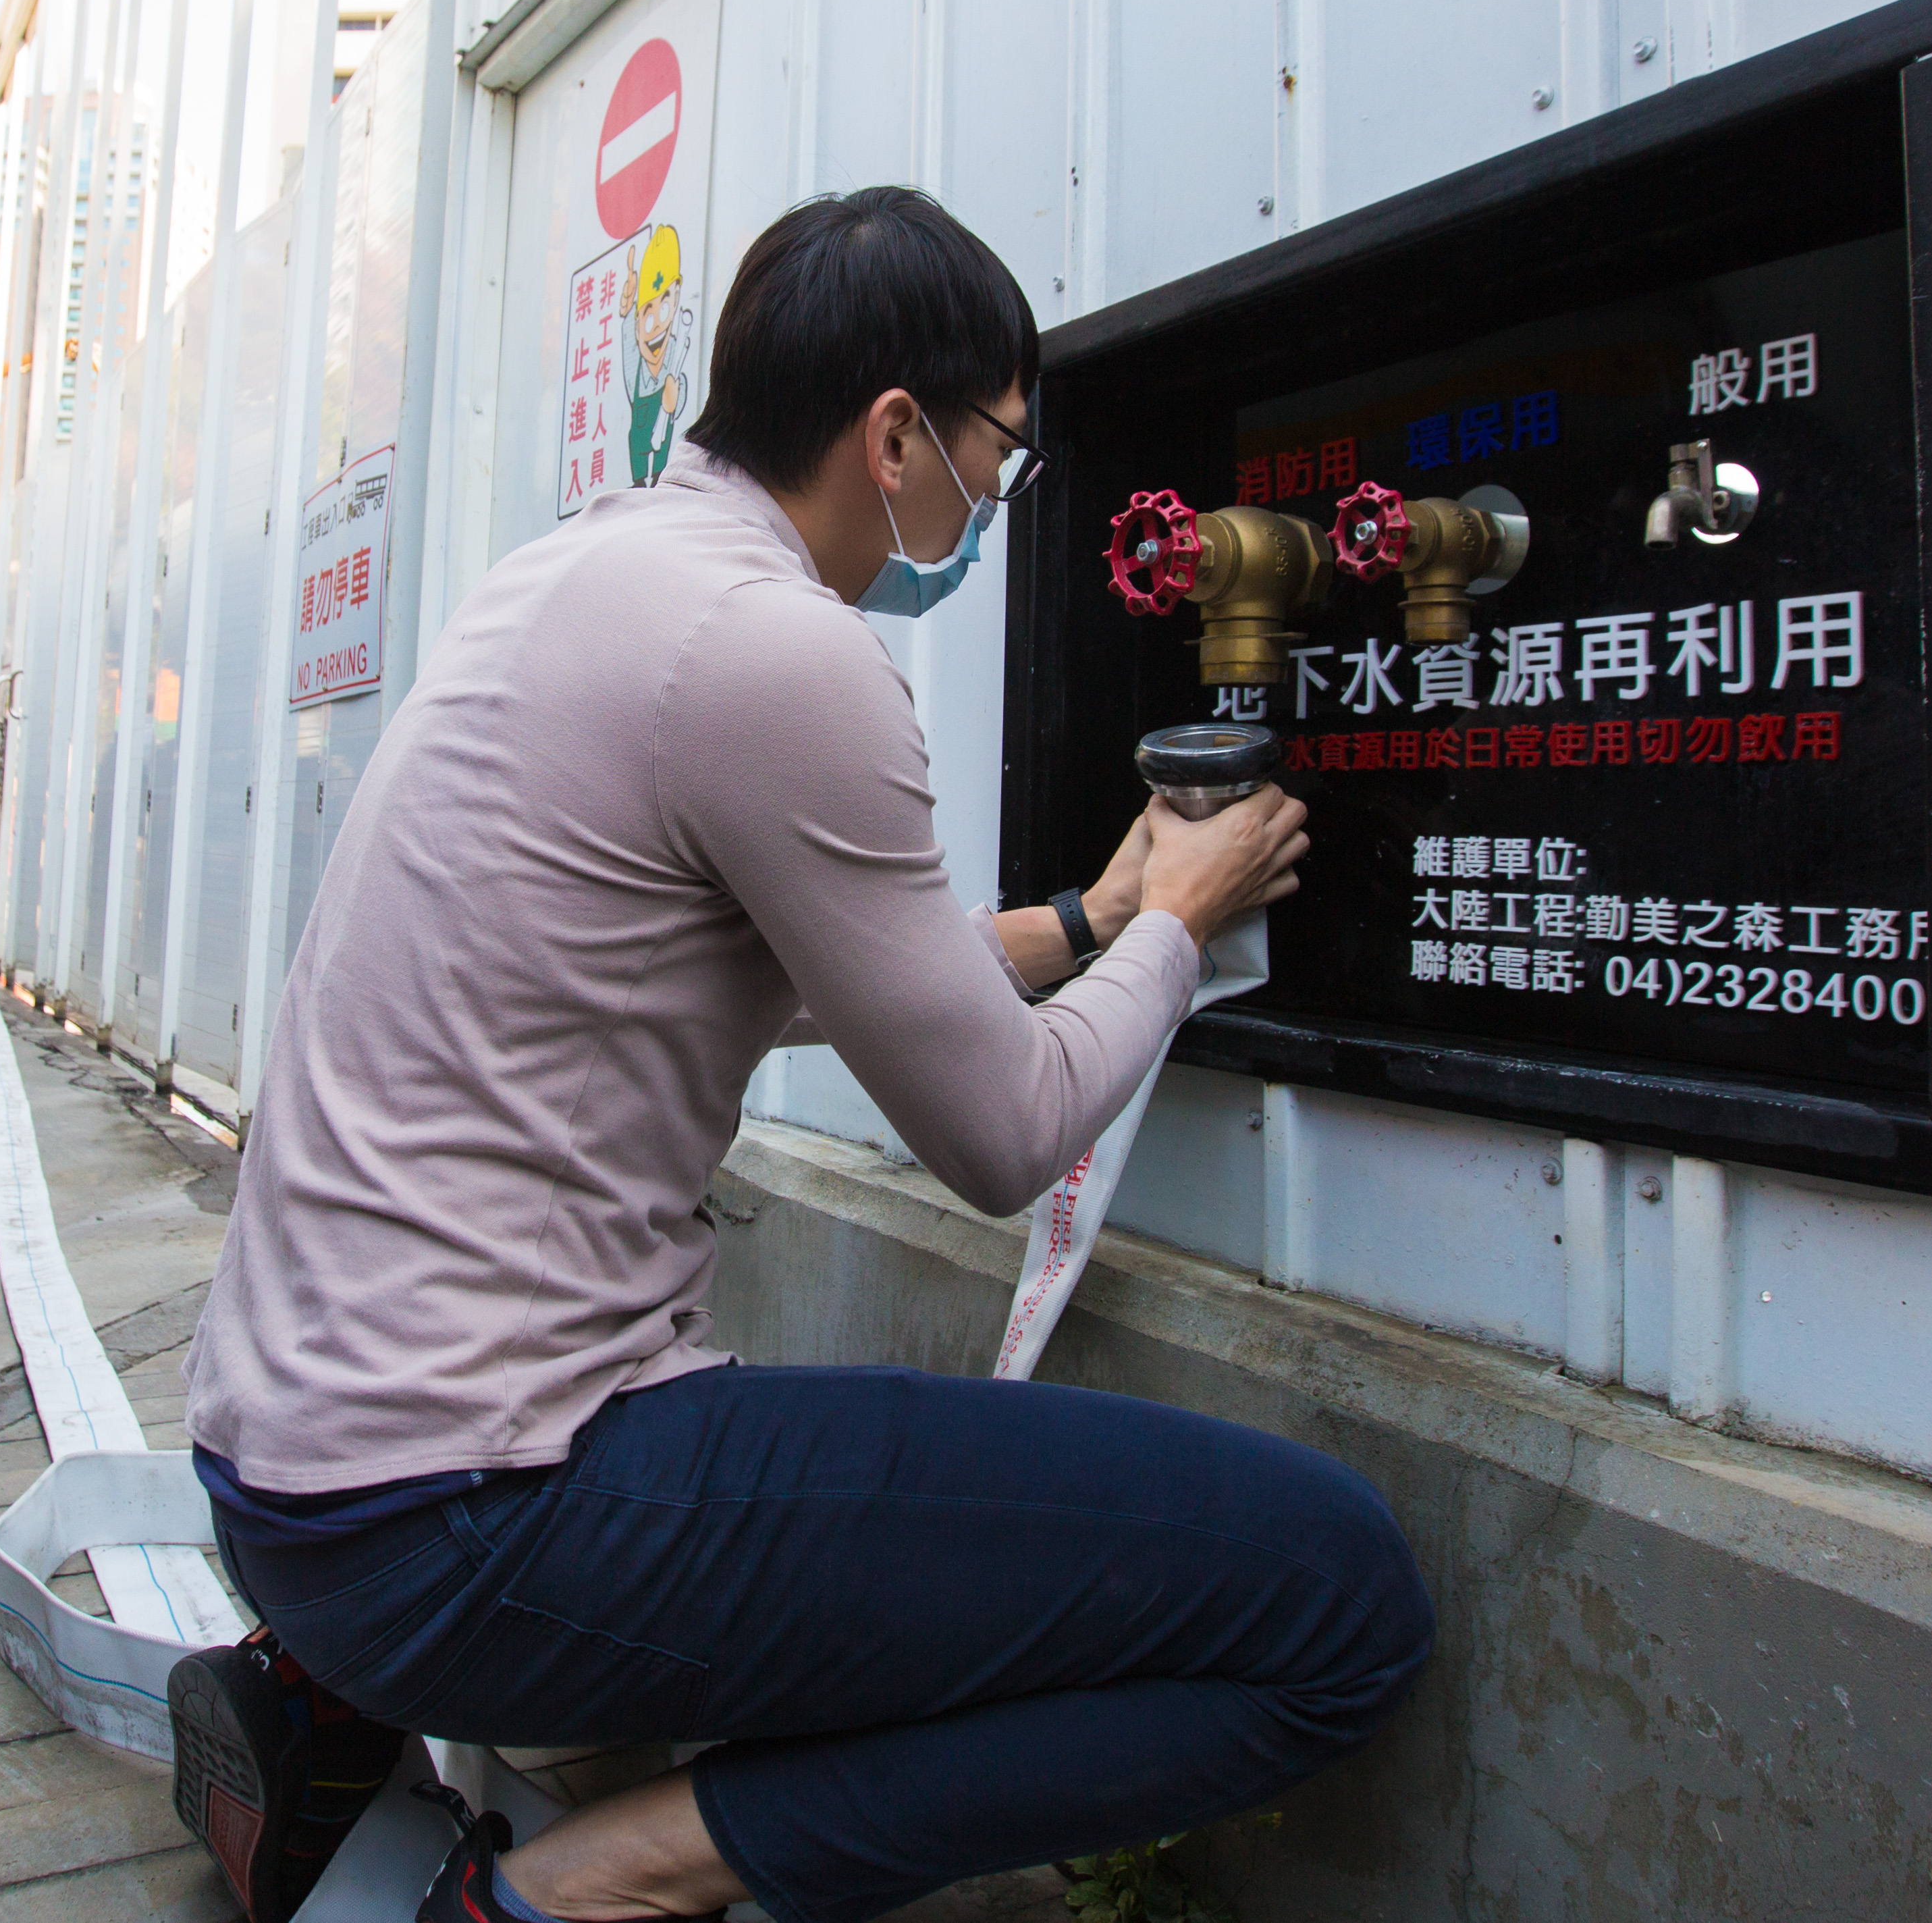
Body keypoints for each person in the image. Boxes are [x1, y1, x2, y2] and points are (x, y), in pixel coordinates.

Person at [172, 186, 1433, 1923]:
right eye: (999, 452)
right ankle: (618, 1877)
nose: (993, 499)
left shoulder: (583, 576)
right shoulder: (781, 653)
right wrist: (1179, 922)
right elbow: (1004, 1138)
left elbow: (782, 981)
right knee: (1335, 1600)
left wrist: (1086, 915)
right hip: (471, 1519)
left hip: (288, 1492)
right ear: (894, 430)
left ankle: (354, 1717)